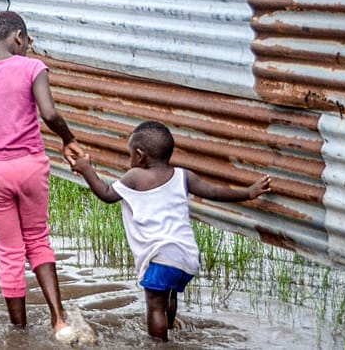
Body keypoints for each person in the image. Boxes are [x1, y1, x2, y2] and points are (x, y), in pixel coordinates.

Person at [70, 120, 273, 342]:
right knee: (169, 297)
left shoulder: (135, 176)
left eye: (130, 155)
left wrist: (86, 169)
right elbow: (214, 192)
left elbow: (107, 194)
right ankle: (171, 332)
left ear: (139, 156)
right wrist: (249, 192)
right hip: (187, 257)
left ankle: (159, 345)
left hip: (161, 255)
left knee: (155, 307)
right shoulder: (183, 176)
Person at [0, 10, 85, 342]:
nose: (27, 48)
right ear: (18, 37)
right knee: (38, 240)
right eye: (27, 42)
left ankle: (18, 334)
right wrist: (68, 139)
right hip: (30, 166)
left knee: (9, 253)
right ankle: (59, 321)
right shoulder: (31, 67)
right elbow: (50, 114)